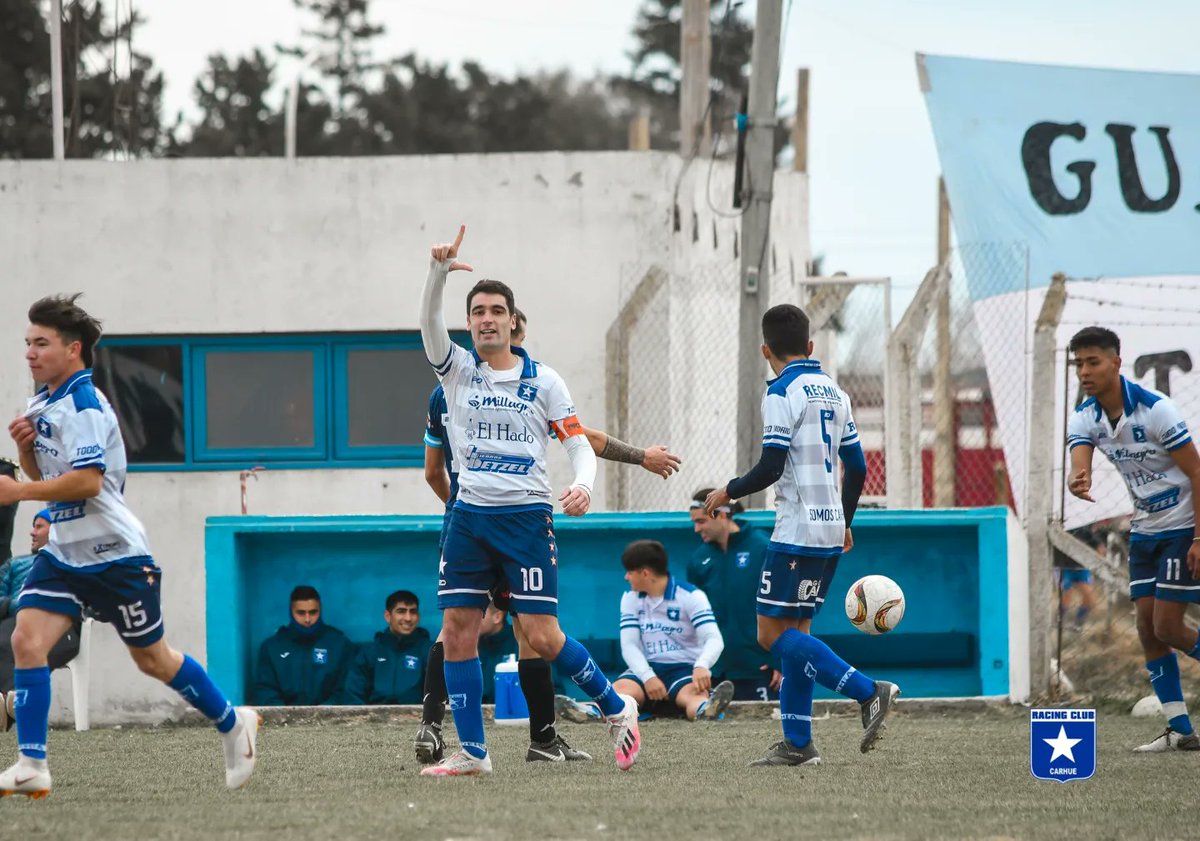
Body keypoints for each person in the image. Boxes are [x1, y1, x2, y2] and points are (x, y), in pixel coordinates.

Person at [0, 294, 258, 797]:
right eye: (27, 342)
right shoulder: (43, 401)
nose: (29, 352)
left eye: (41, 343)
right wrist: (26, 452)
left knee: (153, 660)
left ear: (73, 349)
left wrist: (20, 490)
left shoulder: (85, 404)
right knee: (26, 642)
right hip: (63, 554)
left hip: (116, 554)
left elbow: (89, 483)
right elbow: (49, 473)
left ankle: (233, 722)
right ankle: (32, 762)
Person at [417, 224, 641, 776]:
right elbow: (426, 326)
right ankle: (474, 753)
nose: (487, 319)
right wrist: (437, 274)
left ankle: (617, 708)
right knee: (457, 631)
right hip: (468, 518)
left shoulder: (545, 382)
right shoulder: (456, 372)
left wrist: (585, 483)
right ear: (468, 323)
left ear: (513, 321)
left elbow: (578, 445)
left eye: (497, 310)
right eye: (477, 312)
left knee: (540, 635)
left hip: (525, 519)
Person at [706, 303, 899, 767]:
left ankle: (868, 690)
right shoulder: (835, 391)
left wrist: (728, 491)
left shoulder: (781, 391)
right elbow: (858, 466)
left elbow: (772, 465)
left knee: (771, 636)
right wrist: (845, 519)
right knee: (798, 635)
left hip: (795, 530)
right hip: (830, 529)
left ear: (764, 350)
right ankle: (798, 743)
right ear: (811, 347)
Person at [1066, 326, 1200, 752]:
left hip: (1182, 528)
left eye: (1093, 362)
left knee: (1168, 626)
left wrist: (1199, 537)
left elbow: (1197, 472)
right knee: (1147, 628)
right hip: (1144, 531)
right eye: (1079, 364)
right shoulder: (1085, 416)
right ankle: (1180, 730)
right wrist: (1078, 477)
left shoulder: (1157, 410)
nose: (1084, 372)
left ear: (1116, 363)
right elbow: (1080, 455)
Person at [613, 540, 733, 721]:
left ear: (645, 573)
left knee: (694, 695)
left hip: (683, 669)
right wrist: (647, 677)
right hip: (646, 667)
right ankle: (595, 712)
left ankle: (705, 711)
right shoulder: (630, 598)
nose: (626, 577)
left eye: (630, 572)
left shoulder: (692, 596)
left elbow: (713, 638)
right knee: (621, 691)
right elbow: (629, 645)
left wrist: (702, 665)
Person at [687, 489, 780, 701]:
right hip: (716, 670)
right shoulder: (698, 559)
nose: (696, 528)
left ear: (720, 514)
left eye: (701, 521)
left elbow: (786, 604)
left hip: (760, 667)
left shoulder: (763, 547)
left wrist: (781, 657)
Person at [0, 511, 82, 723]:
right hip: (15, 622)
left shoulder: (74, 565)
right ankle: (12, 702)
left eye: (39, 526)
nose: (32, 532)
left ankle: (11, 702)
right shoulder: (15, 565)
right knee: (8, 637)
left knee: (22, 641)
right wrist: (18, 604)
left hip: (61, 629)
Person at [254, 585, 355, 706]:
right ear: (291, 612)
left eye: (313, 612)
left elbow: (346, 689)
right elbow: (266, 691)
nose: (307, 619)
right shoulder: (272, 647)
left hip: (329, 720)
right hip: (284, 721)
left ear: (320, 610)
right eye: (301, 613)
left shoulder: (340, 645)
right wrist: (285, 717)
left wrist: (323, 714)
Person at [343, 590, 431, 705]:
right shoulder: (369, 653)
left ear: (418, 616)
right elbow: (353, 696)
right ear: (388, 616)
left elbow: (440, 696)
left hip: (418, 720)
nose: (408, 618)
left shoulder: (430, 651)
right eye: (401, 611)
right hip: (372, 721)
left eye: (413, 612)